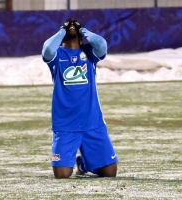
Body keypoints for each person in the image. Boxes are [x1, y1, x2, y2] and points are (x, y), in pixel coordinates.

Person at [42, 18, 118, 179]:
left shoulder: (89, 52)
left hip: (92, 122)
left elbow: (102, 44)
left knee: (110, 173)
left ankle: (83, 164)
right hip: (65, 125)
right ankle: (74, 161)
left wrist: (83, 30)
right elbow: (47, 49)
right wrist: (62, 31)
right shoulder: (57, 55)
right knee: (62, 175)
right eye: (67, 26)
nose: (71, 27)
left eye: (74, 26)